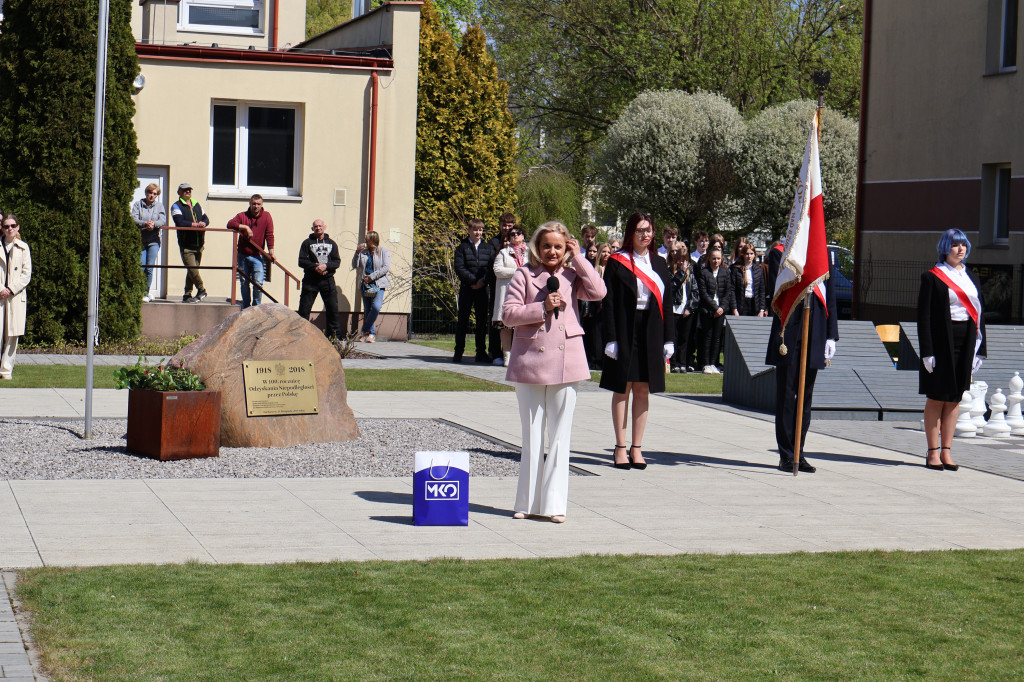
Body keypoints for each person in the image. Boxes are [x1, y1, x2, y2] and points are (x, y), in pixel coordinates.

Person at [502, 221, 606, 523]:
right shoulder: (524, 274)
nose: (552, 251)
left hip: (566, 361)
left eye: (558, 246)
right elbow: (508, 315)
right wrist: (541, 308)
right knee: (532, 435)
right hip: (529, 361)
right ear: (537, 246)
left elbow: (599, 292)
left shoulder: (573, 275)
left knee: (560, 437)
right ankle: (526, 503)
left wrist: (580, 257)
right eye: (547, 245)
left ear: (566, 248)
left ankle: (554, 505)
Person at [599, 211, 675, 470]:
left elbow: (669, 302)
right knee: (623, 387)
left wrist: (669, 338)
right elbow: (607, 302)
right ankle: (620, 447)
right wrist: (611, 338)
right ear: (630, 233)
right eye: (640, 230)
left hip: (651, 330)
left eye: (649, 230)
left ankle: (637, 447)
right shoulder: (617, 261)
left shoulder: (660, 263)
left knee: (643, 388)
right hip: (624, 328)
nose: (645, 234)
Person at [765, 241, 839, 473]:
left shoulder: (821, 252)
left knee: (805, 397)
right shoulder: (780, 252)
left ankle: (800, 451)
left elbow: (830, 292)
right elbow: (783, 287)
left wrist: (831, 334)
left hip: (815, 329)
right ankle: (786, 454)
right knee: (787, 395)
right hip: (790, 328)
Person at [917, 229, 985, 472]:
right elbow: (923, 317)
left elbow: (979, 315)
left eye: (963, 245)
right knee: (937, 396)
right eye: (955, 245)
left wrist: (980, 350)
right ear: (945, 248)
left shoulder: (972, 277)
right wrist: (927, 351)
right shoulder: (932, 277)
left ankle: (947, 451)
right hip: (940, 341)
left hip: (965, 340)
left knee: (955, 396)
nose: (960, 249)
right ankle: (932, 452)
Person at [453, 218, 496, 363]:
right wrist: (473, 281)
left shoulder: (488, 248)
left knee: (481, 322)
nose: (478, 233)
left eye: (480, 230)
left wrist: (482, 282)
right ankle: (458, 351)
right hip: (467, 288)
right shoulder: (462, 247)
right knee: (463, 321)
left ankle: (480, 352)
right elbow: (460, 268)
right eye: (475, 230)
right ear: (469, 231)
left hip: (482, 289)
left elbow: (491, 268)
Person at [227, 194, 275, 309]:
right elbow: (230, 224)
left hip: (257, 255)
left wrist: (271, 251)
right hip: (243, 254)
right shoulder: (242, 215)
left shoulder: (267, 216)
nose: (256, 206)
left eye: (258, 204)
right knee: (244, 282)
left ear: (261, 205)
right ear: (250, 204)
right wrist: (245, 227)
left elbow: (269, 235)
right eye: (254, 204)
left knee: (258, 283)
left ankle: (256, 307)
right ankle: (246, 306)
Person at [297, 219, 341, 339]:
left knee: (332, 309)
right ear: (312, 229)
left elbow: (337, 261)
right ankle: (301, 336)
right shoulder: (306, 243)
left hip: (327, 280)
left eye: (320, 226)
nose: (318, 228)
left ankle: (333, 337)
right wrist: (315, 267)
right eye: (315, 226)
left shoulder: (332, 244)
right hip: (310, 281)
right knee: (304, 310)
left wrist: (326, 266)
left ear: (324, 227)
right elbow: (301, 261)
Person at [0, 214, 31, 380]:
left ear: (18, 227)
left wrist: (10, 289)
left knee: (12, 335)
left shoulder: (23, 248)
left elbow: (26, 275)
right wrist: (1, 290)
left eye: (12, 225)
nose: (9, 229)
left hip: (15, 297)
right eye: (6, 226)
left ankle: (6, 370)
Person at [492, 224, 528, 366]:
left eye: (518, 233)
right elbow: (498, 270)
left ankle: (520, 356)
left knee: (522, 324)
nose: (515, 236)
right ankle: (507, 356)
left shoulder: (529, 253)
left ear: (523, 236)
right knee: (505, 326)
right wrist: (518, 272)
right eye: (512, 234)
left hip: (525, 293)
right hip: (507, 292)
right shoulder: (503, 253)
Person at [697, 246, 735, 374]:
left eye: (718, 258)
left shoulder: (725, 272)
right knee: (707, 336)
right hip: (708, 310)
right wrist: (714, 307)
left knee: (717, 338)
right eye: (713, 258)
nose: (716, 261)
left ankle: (714, 363)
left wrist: (722, 308)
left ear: (722, 259)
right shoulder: (704, 272)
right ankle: (706, 364)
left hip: (720, 311)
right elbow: (703, 293)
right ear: (709, 258)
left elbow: (728, 292)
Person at [170, 182, 209, 303]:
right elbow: (180, 222)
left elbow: (206, 218)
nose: (188, 191)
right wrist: (195, 225)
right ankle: (202, 290)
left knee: (192, 271)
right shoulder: (176, 206)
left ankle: (187, 295)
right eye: (185, 190)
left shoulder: (197, 204)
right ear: (179, 192)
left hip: (199, 244)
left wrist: (204, 223)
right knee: (193, 269)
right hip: (186, 244)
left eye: (189, 190)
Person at [487, 213, 517, 363]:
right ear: (500, 225)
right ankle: (495, 352)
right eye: (504, 225)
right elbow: (493, 264)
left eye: (509, 226)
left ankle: (513, 353)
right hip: (498, 286)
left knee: (514, 322)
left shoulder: (519, 241)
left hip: (516, 287)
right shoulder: (493, 242)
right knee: (496, 319)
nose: (506, 228)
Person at [353, 231, 391, 343]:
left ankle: (364, 330)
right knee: (368, 310)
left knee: (376, 307)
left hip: (378, 284)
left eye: (367, 240)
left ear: (373, 240)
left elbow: (386, 267)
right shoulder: (364, 253)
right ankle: (371, 334)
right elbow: (355, 265)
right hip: (365, 284)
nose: (365, 242)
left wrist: (372, 277)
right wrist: (357, 253)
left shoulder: (383, 251)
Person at [131, 183, 166, 302]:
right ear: (146, 193)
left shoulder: (159, 206)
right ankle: (139, 291)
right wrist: (144, 224)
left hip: (153, 241)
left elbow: (162, 220)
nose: (152, 196)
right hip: (141, 240)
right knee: (141, 267)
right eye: (150, 193)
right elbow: (134, 219)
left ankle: (146, 292)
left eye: (154, 194)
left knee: (149, 268)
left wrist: (154, 224)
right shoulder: (138, 205)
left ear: (157, 196)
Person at [668, 244, 698, 373]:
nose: (682, 262)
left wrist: (689, 308)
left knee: (685, 339)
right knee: (674, 338)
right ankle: (674, 363)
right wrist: (681, 273)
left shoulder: (691, 274)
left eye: (684, 260)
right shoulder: (670, 272)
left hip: (686, 310)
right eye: (679, 259)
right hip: (674, 309)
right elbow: (671, 288)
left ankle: (682, 363)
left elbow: (695, 293)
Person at [731, 243, 766, 317]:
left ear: (754, 255)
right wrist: (734, 309)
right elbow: (732, 290)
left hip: (754, 304)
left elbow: (762, 290)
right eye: (747, 254)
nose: (749, 256)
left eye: (751, 253)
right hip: (741, 304)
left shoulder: (758, 270)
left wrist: (762, 309)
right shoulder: (736, 269)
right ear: (743, 255)